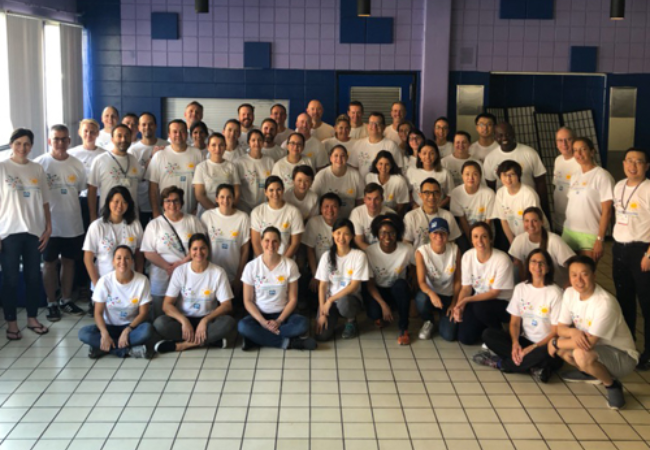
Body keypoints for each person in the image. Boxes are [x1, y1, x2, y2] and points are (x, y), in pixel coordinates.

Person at [549, 255, 639, 410]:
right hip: (594, 348)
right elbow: (561, 328)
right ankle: (590, 373)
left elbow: (589, 343)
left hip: (622, 356)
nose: (579, 280)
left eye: (584, 274)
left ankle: (612, 385)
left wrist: (555, 343)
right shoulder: (570, 293)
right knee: (565, 349)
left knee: (580, 354)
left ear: (594, 275)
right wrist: (572, 332)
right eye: (574, 275)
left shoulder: (605, 303)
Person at [473, 249, 563, 383]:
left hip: (544, 345)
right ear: (528, 265)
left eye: (541, 263)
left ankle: (501, 364)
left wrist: (530, 349)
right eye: (533, 262)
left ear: (548, 268)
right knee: (488, 334)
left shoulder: (555, 292)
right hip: (524, 340)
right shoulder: (521, 288)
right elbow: (514, 322)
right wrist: (515, 343)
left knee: (550, 356)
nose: (537, 266)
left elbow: (555, 332)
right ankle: (533, 368)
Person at [0, 128, 52, 339]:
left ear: (32, 146)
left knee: (33, 277)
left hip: (34, 232)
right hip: (9, 232)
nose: (22, 148)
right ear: (11, 144)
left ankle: (32, 318)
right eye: (18, 143)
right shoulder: (2, 168)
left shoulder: (37, 169)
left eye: (27, 144)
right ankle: (11, 323)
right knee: (10, 279)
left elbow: (45, 201)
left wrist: (48, 227)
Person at [35, 125, 87, 320]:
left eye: (64, 139)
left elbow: (80, 189)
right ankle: (52, 302)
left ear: (69, 141)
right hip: (48, 226)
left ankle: (66, 299)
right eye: (56, 139)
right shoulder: (40, 164)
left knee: (69, 261)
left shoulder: (77, 164)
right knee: (49, 263)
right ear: (50, 141)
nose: (60, 143)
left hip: (72, 222)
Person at [154, 233, 236, 353]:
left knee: (229, 323)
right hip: (184, 320)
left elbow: (227, 305)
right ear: (190, 251)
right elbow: (166, 305)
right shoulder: (180, 271)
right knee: (160, 323)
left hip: (208, 320)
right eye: (195, 249)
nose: (199, 252)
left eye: (203, 248)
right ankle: (209, 340)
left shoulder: (218, 272)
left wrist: (205, 320)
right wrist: (183, 320)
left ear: (208, 250)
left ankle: (182, 345)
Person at [239, 227, 317, 351]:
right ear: (261, 242)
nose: (271, 245)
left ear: (280, 243)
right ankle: (290, 343)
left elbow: (293, 299)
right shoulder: (251, 267)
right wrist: (263, 322)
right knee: (243, 326)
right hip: (260, 315)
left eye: (275, 241)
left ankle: (256, 338)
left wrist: (279, 321)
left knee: (303, 324)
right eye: (267, 240)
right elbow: (247, 301)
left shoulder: (290, 265)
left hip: (284, 315)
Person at [141, 186, 206, 318]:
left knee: (185, 312)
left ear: (182, 203)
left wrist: (181, 263)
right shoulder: (154, 225)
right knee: (160, 314)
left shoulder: (192, 221)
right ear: (163, 204)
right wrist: (168, 267)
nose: (172, 204)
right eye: (168, 201)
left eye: (176, 201)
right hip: (161, 276)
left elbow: (202, 245)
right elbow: (148, 252)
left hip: (188, 273)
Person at [78, 245, 153, 359]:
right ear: (113, 262)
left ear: (132, 261)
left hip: (131, 326)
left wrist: (128, 329)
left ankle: (104, 348)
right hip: (109, 326)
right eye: (118, 258)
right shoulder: (104, 281)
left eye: (127, 258)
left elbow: (143, 313)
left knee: (147, 330)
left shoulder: (142, 280)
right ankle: (128, 350)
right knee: (84, 333)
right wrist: (104, 333)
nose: (122, 262)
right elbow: (98, 313)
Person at [612, 148, 650, 369]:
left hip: (642, 251)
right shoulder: (619, 186)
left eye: (638, 162)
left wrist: (648, 253)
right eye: (629, 161)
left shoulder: (648, 188)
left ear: (646, 165)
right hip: (620, 249)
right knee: (624, 300)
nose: (632, 165)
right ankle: (628, 347)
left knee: (646, 303)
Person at [453, 222, 514, 345]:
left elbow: (494, 293)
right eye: (475, 237)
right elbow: (466, 288)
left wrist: (466, 300)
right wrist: (459, 306)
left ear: (490, 239)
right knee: (465, 338)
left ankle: (500, 333)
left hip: (503, 304)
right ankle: (486, 330)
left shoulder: (502, 259)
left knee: (479, 307)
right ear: (471, 239)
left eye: (484, 236)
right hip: (478, 301)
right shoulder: (467, 256)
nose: (479, 241)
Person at [315, 218, 370, 341]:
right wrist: (323, 310)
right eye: (338, 233)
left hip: (349, 299)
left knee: (344, 302)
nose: (341, 237)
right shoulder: (326, 256)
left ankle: (351, 321)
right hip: (330, 300)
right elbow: (322, 285)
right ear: (333, 234)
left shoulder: (359, 256)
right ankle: (333, 318)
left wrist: (330, 300)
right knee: (322, 335)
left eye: (346, 234)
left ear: (352, 236)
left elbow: (353, 286)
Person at [83, 186, 144, 292]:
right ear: (108, 202)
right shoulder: (97, 226)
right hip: (104, 283)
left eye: (124, 202)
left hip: (130, 284)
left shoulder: (135, 224)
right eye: (116, 201)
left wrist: (139, 279)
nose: (120, 206)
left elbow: (139, 254)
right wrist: (97, 284)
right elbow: (88, 259)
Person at [364, 214, 413, 344]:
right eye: (383, 233)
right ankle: (383, 313)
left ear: (397, 234)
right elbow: (370, 285)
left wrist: (413, 292)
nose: (387, 237)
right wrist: (383, 305)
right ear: (377, 234)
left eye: (392, 233)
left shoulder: (407, 249)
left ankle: (404, 328)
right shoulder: (370, 251)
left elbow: (416, 269)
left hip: (397, 289)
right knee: (374, 313)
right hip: (378, 290)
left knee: (401, 286)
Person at [562, 137, 613, 262]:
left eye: (583, 149)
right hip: (569, 232)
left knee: (585, 275)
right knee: (567, 275)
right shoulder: (575, 175)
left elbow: (607, 211)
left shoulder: (602, 176)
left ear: (592, 151)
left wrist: (600, 239)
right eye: (575, 150)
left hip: (590, 234)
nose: (578, 154)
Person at [483, 122, 550, 218]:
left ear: (514, 134)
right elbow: (491, 187)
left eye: (508, 134)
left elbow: (541, 182)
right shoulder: (490, 158)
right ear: (494, 137)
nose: (504, 138)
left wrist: (544, 208)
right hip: (505, 207)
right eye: (500, 135)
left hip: (528, 203)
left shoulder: (529, 153)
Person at [414, 218, 461, 342]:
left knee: (449, 335)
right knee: (421, 299)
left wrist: (454, 302)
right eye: (435, 233)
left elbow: (458, 279)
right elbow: (421, 282)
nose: (439, 236)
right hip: (430, 294)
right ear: (429, 234)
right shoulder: (422, 252)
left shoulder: (455, 250)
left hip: (448, 295)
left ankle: (442, 318)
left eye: (443, 233)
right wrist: (432, 294)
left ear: (448, 235)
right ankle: (428, 320)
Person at [201, 184, 250, 298]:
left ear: (233, 199)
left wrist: (240, 276)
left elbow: (245, 249)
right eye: (222, 197)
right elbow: (202, 246)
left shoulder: (243, 217)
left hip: (234, 275)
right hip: (211, 275)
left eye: (229, 197)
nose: (225, 200)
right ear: (216, 199)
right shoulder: (207, 216)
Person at [147, 119, 203, 217]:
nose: (178, 134)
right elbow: (153, 188)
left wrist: (197, 208)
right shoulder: (159, 156)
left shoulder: (197, 154)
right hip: (165, 215)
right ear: (169, 134)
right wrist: (156, 212)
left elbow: (202, 185)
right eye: (175, 132)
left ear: (187, 133)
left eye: (182, 131)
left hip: (191, 215)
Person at [87, 124, 142, 222]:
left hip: (131, 219)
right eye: (119, 136)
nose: (123, 139)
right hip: (107, 218)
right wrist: (92, 216)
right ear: (112, 139)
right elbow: (92, 190)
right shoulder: (100, 160)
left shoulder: (134, 160)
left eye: (126, 136)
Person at [510, 207, 575, 287]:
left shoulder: (554, 240)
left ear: (542, 222)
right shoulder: (519, 240)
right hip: (536, 287)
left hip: (558, 286)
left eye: (534, 221)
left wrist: (566, 287)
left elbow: (575, 265)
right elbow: (519, 266)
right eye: (527, 221)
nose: (530, 225)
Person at [492, 160, 547, 244]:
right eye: (504, 175)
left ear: (518, 175)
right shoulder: (500, 193)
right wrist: (513, 244)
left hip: (538, 236)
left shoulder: (529, 194)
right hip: (517, 238)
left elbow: (533, 223)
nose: (508, 179)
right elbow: (504, 221)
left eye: (512, 175)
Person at [128, 112, 168, 225]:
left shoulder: (166, 145)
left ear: (155, 126)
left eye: (150, 124)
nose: (147, 127)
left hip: (163, 202)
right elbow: (135, 177)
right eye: (144, 124)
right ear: (139, 127)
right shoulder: (133, 150)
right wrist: (152, 157)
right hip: (141, 203)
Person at [251, 176, 304, 258]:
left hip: (285, 261)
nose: (275, 193)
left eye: (278, 189)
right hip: (262, 262)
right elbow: (256, 242)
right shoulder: (257, 212)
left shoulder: (294, 212)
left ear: (283, 190)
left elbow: (295, 243)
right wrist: (264, 263)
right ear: (265, 192)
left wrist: (281, 263)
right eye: (271, 190)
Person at [404, 178, 461, 251]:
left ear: (440, 194)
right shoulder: (410, 217)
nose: (431, 197)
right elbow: (407, 243)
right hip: (416, 260)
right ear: (420, 195)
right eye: (427, 193)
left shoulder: (448, 216)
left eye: (435, 192)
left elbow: (452, 243)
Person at [193, 132, 241, 216]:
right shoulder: (201, 167)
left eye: (221, 145)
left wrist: (227, 210)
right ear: (208, 147)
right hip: (206, 213)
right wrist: (216, 212)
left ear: (225, 147)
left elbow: (236, 193)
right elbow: (199, 195)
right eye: (213, 145)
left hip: (228, 212)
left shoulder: (231, 167)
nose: (217, 149)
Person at [312, 145, 364, 219]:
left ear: (347, 158)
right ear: (330, 158)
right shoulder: (321, 176)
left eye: (342, 156)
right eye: (336, 156)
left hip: (349, 219)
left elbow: (360, 200)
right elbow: (314, 200)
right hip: (326, 219)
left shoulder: (355, 175)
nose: (339, 159)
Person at [304, 193, 341, 293]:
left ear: (339, 209)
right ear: (320, 208)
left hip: (339, 271)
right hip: (317, 269)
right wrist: (315, 274)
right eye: (326, 206)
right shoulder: (313, 222)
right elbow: (310, 250)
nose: (330, 210)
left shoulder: (343, 225)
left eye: (334, 207)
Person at [349, 112, 403, 179]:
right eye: (371, 123)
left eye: (377, 124)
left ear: (384, 127)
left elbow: (398, 169)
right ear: (367, 126)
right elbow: (353, 168)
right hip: (362, 187)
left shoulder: (391, 145)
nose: (374, 126)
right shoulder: (358, 144)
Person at [450, 161, 495, 241]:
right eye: (467, 174)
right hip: (465, 232)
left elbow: (488, 221)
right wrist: (472, 241)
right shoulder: (456, 193)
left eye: (475, 174)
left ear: (480, 176)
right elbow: (462, 221)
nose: (471, 178)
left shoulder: (489, 194)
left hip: (486, 233)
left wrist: (481, 239)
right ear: (462, 176)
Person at [407, 140, 455, 208]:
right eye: (424, 153)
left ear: (436, 155)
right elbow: (408, 192)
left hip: (439, 210)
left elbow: (451, 194)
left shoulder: (445, 173)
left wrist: (438, 207)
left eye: (431, 153)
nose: (428, 157)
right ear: (419, 155)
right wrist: (414, 204)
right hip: (417, 209)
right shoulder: (411, 171)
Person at [350, 183, 395, 250]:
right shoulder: (357, 213)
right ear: (364, 199)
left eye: (376, 199)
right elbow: (359, 241)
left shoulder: (391, 214)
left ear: (382, 199)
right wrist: (375, 253)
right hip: (365, 252)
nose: (372, 203)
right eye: (369, 199)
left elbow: (393, 241)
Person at [365, 150, 410, 215]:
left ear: (391, 166)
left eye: (387, 164)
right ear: (376, 165)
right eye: (380, 164)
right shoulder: (369, 177)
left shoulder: (399, 181)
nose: (383, 167)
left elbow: (401, 205)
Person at [552, 127, 579, 232]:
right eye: (560, 140)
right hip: (559, 217)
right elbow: (556, 186)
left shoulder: (581, 162)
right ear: (556, 143)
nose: (564, 144)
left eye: (568, 139)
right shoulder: (558, 160)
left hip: (576, 221)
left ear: (575, 141)